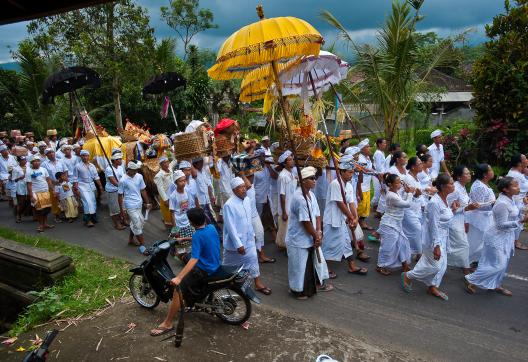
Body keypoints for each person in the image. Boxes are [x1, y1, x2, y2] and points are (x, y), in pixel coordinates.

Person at [150, 208, 221, 337]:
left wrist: (179, 277)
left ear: (191, 222)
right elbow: (202, 238)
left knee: (178, 289)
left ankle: (167, 323)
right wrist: (185, 238)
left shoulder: (198, 236)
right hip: (215, 263)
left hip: (204, 269)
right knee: (186, 256)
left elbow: (195, 259)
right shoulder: (210, 227)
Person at [465, 177, 526, 296]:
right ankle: (471, 279)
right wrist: (521, 221)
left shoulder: (511, 199)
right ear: (505, 189)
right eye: (515, 186)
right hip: (496, 236)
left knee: (502, 263)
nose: (518, 188)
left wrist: (524, 209)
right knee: (499, 264)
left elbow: (513, 214)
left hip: (506, 236)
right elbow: (501, 225)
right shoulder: (502, 203)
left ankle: (495, 284)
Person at [401, 174, 457, 301]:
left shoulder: (445, 199)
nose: (454, 186)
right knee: (435, 265)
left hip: (443, 237)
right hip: (433, 238)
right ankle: (408, 276)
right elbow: (433, 226)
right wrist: (436, 245)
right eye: (451, 183)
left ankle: (432, 286)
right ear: (443, 186)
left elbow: (443, 219)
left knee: (442, 265)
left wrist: (453, 211)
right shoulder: (434, 203)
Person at [286, 166, 333, 299]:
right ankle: (296, 290)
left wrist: (318, 231)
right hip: (298, 238)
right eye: (311, 178)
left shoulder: (311, 195)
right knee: (298, 266)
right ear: (303, 181)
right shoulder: (299, 198)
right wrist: (315, 235)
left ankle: (318, 283)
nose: (315, 181)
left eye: (315, 178)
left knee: (316, 262)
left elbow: (317, 214)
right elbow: (305, 222)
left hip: (311, 235)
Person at [222, 177, 272, 295]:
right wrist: (238, 244)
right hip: (235, 243)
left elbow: (249, 221)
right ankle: (224, 284)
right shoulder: (229, 205)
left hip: (249, 239)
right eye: (240, 187)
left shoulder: (247, 200)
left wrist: (253, 234)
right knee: (228, 265)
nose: (244, 189)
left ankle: (258, 284)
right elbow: (230, 227)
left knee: (253, 259)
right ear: (234, 190)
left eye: (244, 187)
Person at [321, 154, 368, 278]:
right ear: (341, 171)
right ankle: (323, 269)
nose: (351, 175)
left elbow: (351, 203)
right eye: (349, 172)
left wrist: (355, 217)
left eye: (352, 172)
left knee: (346, 242)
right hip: (332, 219)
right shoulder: (336, 184)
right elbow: (340, 203)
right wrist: (351, 217)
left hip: (342, 219)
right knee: (328, 245)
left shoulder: (349, 185)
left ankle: (351, 266)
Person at [376, 173, 413, 276]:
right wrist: (410, 193)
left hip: (396, 223)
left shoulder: (395, 193)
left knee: (402, 244)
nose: (400, 183)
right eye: (397, 182)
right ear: (390, 184)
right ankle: (380, 266)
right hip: (389, 225)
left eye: (399, 181)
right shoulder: (391, 195)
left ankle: (404, 264)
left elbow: (402, 201)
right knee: (387, 246)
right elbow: (407, 204)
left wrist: (406, 192)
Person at [447, 166, 480, 274]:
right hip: (453, 221)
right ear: (459, 177)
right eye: (466, 174)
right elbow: (447, 209)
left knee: (458, 246)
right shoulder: (455, 189)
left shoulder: (463, 187)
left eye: (469, 173)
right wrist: (466, 208)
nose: (469, 175)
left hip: (461, 219)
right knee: (463, 245)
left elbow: (464, 206)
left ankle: (445, 261)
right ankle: (466, 271)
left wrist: (466, 221)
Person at [240, 169, 275, 264]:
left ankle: (261, 255)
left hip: (254, 215)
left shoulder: (252, 185)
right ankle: (248, 258)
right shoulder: (241, 186)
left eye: (252, 175)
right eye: (250, 176)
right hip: (245, 217)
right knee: (247, 237)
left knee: (259, 234)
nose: (252, 177)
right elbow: (248, 185)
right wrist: (242, 174)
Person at [466, 164, 496, 266]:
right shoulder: (480, 186)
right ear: (485, 174)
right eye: (490, 170)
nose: (492, 171)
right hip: (479, 218)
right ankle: (468, 262)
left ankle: (477, 260)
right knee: (476, 241)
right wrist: (494, 203)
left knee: (481, 241)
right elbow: (478, 205)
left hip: (484, 217)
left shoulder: (484, 184)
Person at [118, 161, 152, 249]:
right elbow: (120, 195)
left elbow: (143, 190)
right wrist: (122, 210)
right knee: (137, 224)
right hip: (129, 205)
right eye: (133, 170)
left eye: (136, 170)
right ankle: (143, 245)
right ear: (128, 169)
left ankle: (130, 239)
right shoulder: (122, 180)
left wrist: (147, 202)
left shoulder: (139, 176)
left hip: (139, 204)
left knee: (137, 223)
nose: (135, 172)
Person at [168, 170, 196, 260]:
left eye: (184, 180)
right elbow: (172, 213)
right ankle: (179, 254)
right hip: (178, 222)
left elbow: (190, 206)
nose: (183, 183)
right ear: (176, 182)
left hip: (187, 220)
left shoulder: (187, 191)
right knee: (180, 241)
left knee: (191, 239)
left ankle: (188, 255)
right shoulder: (173, 196)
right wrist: (175, 229)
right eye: (181, 181)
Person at [402, 157, 425, 260]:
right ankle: (417, 252)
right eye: (419, 163)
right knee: (416, 229)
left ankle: (417, 253)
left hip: (417, 208)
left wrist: (423, 204)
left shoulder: (416, 177)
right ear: (413, 167)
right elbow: (409, 195)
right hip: (408, 209)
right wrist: (416, 195)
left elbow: (418, 194)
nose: (421, 165)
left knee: (417, 231)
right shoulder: (408, 178)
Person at [26, 154, 55, 232]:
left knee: (47, 209)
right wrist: (31, 196)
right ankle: (40, 225)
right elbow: (29, 185)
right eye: (34, 161)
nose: (37, 162)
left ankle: (45, 223)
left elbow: (48, 180)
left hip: (45, 191)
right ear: (31, 163)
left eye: (38, 161)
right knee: (39, 210)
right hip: (36, 193)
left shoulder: (43, 169)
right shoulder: (29, 171)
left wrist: (52, 189)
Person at [73, 150, 102, 227]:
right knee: (87, 202)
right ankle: (87, 220)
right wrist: (76, 189)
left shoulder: (92, 165)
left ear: (89, 156)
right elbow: (75, 178)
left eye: (86, 155)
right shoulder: (77, 166)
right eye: (83, 155)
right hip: (82, 186)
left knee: (93, 202)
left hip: (91, 185)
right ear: (81, 156)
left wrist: (100, 186)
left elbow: (96, 177)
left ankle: (93, 217)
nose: (85, 157)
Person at [276, 150, 298, 250]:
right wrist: (284, 212)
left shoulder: (291, 174)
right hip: (286, 208)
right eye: (289, 160)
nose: (292, 161)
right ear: (285, 163)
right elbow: (282, 195)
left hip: (291, 206)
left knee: (290, 230)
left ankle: (287, 247)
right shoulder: (282, 176)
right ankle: (285, 247)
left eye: (292, 159)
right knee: (285, 230)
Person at [506, 154, 528, 250]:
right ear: (520, 163)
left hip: (519, 200)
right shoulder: (516, 175)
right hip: (516, 202)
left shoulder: (515, 172)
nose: (527, 160)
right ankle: (515, 242)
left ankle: (514, 241)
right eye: (525, 159)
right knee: (518, 222)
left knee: (518, 222)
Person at [192, 157, 220, 233]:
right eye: (199, 162)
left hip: (206, 199)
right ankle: (214, 232)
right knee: (207, 219)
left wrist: (212, 196)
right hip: (200, 201)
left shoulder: (203, 171)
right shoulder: (194, 174)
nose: (201, 163)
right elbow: (194, 174)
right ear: (195, 164)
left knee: (210, 217)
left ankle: (215, 232)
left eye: (202, 161)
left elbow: (208, 184)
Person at [42, 148, 66, 223]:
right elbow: (46, 176)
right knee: (55, 200)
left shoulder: (61, 161)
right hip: (52, 185)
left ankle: (66, 213)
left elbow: (65, 171)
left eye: (52, 152)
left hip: (63, 183)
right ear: (46, 155)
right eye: (49, 153)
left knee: (65, 197)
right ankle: (57, 215)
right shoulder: (44, 164)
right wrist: (54, 182)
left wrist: (64, 179)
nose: (51, 154)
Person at [356, 138, 375, 230]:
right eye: (367, 147)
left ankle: (361, 221)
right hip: (361, 185)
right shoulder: (360, 158)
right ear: (362, 149)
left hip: (367, 184)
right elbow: (363, 170)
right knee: (361, 205)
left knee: (366, 205)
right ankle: (356, 220)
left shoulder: (367, 157)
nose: (369, 148)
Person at [105, 152, 126, 230]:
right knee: (115, 209)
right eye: (119, 159)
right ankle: (117, 224)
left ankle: (123, 220)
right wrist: (122, 187)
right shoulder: (109, 169)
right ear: (115, 160)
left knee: (123, 207)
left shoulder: (120, 167)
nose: (121, 161)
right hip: (112, 191)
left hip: (120, 190)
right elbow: (113, 181)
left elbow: (123, 178)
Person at [154, 156, 174, 228]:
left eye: (167, 162)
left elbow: (175, 160)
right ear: (161, 165)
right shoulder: (159, 175)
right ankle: (171, 230)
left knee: (174, 213)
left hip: (173, 195)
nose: (166, 164)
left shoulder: (170, 168)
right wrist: (165, 200)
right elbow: (160, 188)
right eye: (164, 163)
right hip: (166, 197)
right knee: (168, 215)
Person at [371, 138, 387, 212]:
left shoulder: (381, 152)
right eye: (384, 143)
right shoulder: (378, 153)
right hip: (378, 175)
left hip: (381, 175)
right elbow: (378, 167)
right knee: (377, 193)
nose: (385, 144)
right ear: (379, 144)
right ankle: (371, 206)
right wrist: (381, 177)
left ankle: (376, 207)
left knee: (380, 193)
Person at [12, 156, 28, 222]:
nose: (24, 161)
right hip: (20, 186)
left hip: (28, 185)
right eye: (22, 160)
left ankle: (29, 214)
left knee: (29, 201)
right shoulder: (16, 169)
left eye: (25, 160)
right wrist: (20, 178)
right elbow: (13, 179)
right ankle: (18, 215)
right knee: (22, 202)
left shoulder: (28, 167)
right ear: (19, 161)